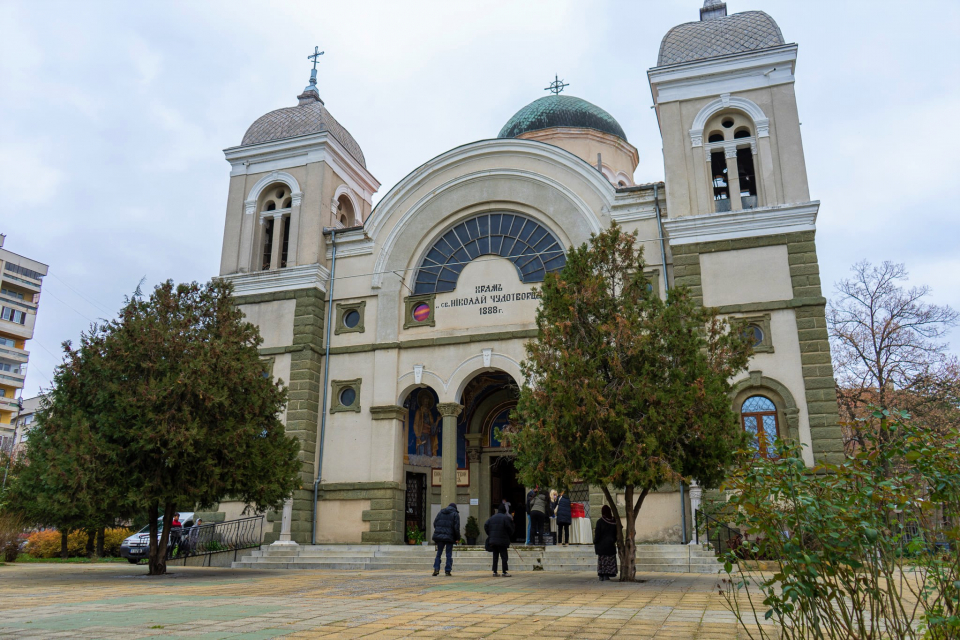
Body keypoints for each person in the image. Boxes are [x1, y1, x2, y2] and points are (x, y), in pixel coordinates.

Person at [484, 504, 515, 577]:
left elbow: (486, 525)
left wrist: (490, 534)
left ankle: (495, 571)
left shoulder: (492, 518)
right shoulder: (506, 518)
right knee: (504, 556)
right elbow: (510, 528)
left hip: (493, 540)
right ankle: (504, 571)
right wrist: (509, 535)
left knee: (495, 556)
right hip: (503, 540)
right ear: (504, 510)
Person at [431, 502, 460, 576]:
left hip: (440, 537)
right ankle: (447, 570)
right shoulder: (455, 514)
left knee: (439, 553)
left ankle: (436, 569)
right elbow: (456, 528)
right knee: (448, 554)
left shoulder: (441, 512)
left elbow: (435, 523)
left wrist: (439, 531)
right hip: (450, 537)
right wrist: (457, 538)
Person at [594, 505, 619, 581]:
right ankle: (607, 575)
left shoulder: (600, 522)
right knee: (609, 561)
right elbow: (616, 534)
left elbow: (597, 534)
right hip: (610, 546)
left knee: (603, 561)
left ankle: (602, 575)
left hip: (601, 546)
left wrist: (595, 542)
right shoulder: (614, 522)